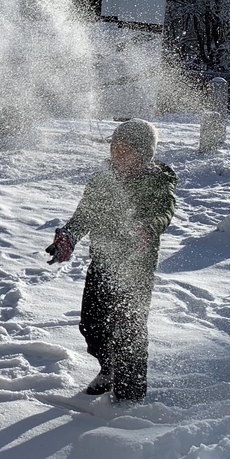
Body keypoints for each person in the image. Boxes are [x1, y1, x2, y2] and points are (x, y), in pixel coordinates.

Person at [46, 119, 176, 402]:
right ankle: (109, 369)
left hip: (135, 268)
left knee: (129, 327)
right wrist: (69, 235)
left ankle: (129, 396)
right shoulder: (102, 181)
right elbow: (86, 214)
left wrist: (146, 226)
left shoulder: (156, 182)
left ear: (144, 154)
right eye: (115, 149)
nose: (118, 155)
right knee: (92, 324)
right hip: (102, 263)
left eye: (126, 150)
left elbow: (163, 213)